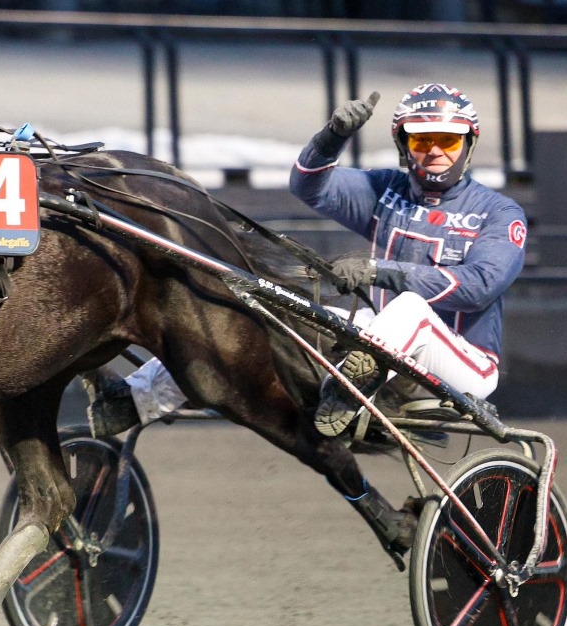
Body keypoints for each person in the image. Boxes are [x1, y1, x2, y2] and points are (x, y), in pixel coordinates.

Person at [85, 82, 528, 440]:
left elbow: (480, 285)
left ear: (470, 143)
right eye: (422, 140)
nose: (435, 152)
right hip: (381, 345)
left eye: (448, 141)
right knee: (248, 310)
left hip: (466, 366)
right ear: (402, 144)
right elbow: (309, 186)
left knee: (408, 309)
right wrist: (330, 139)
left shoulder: (500, 213)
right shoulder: (386, 189)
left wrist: (382, 272)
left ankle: (345, 395)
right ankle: (134, 401)